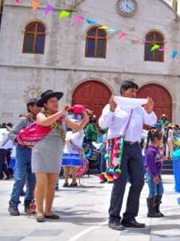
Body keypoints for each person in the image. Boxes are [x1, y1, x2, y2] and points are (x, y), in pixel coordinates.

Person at [99, 80, 157, 231]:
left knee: (138, 181)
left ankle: (129, 217)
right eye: (131, 91)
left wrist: (149, 111)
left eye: (135, 91)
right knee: (119, 182)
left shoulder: (138, 108)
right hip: (119, 146)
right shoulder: (114, 105)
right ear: (123, 91)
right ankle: (114, 217)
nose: (134, 94)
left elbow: (152, 122)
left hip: (135, 147)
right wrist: (111, 110)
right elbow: (102, 124)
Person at [32, 90, 90, 223]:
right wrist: (61, 113)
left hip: (56, 151)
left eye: (56, 101)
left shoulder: (62, 118)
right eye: (52, 101)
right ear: (45, 104)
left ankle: (48, 210)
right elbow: (45, 122)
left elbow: (77, 127)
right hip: (41, 151)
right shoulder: (41, 114)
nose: (55, 103)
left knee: (52, 183)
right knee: (41, 182)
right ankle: (39, 211)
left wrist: (85, 118)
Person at [8, 98, 40, 216]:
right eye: (37, 106)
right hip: (23, 152)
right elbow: (11, 133)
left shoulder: (40, 120)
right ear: (30, 107)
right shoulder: (24, 120)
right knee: (20, 178)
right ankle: (13, 204)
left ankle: (28, 204)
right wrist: (19, 140)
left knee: (33, 181)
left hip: (35, 153)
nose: (39, 108)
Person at [145, 127, 165, 218]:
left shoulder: (155, 149)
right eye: (161, 138)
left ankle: (156, 209)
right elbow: (151, 164)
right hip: (152, 174)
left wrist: (161, 158)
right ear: (157, 139)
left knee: (160, 190)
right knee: (152, 191)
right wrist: (155, 175)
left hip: (157, 174)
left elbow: (156, 161)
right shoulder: (150, 150)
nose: (162, 140)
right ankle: (151, 212)